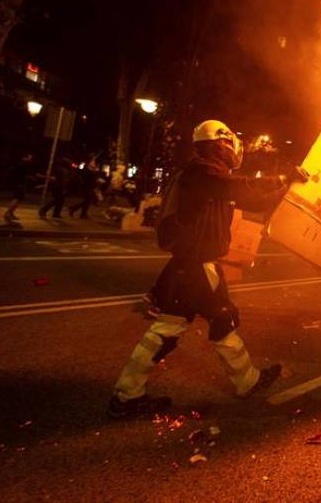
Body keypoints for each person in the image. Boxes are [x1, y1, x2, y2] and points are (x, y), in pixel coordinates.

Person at [108, 119, 309, 419]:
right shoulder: (202, 171)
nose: (232, 150)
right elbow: (240, 188)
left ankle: (127, 394)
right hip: (198, 265)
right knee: (219, 319)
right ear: (222, 143)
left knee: (171, 327)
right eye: (229, 144)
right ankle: (246, 382)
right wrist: (281, 178)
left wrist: (287, 188)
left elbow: (252, 200)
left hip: (190, 264)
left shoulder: (210, 177)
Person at [4, 152, 35, 222]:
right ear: (24, 158)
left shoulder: (23, 164)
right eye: (29, 157)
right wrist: (29, 177)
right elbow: (21, 175)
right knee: (16, 199)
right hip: (20, 184)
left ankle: (11, 213)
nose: (30, 159)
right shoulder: (22, 165)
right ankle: (7, 213)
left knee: (18, 200)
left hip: (20, 184)